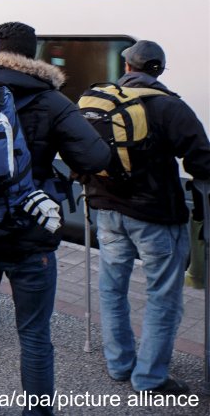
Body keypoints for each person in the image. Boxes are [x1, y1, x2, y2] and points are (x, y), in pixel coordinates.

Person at [0, 22, 110, 415]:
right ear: (31, 54)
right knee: (34, 335)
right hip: (29, 236)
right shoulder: (51, 101)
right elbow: (95, 158)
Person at [85, 40, 210, 394]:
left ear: (127, 68)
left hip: (107, 211)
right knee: (163, 296)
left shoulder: (101, 102)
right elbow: (201, 160)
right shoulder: (171, 107)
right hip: (156, 216)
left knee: (112, 287)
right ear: (158, 71)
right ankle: (150, 377)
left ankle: (119, 363)